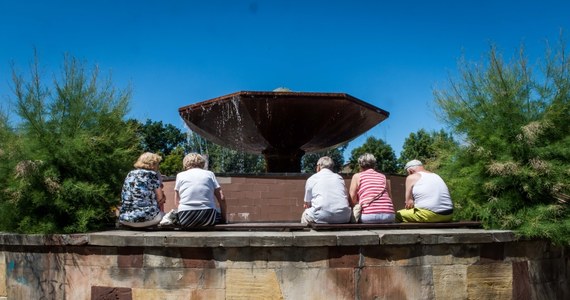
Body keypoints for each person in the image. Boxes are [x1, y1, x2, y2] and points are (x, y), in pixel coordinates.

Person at [174, 153, 226, 228]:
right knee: (217, 213)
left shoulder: (180, 175)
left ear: (185, 163)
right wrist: (223, 219)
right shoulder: (210, 174)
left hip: (185, 218)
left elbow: (176, 201)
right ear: (202, 162)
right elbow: (222, 198)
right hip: (207, 216)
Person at [119, 152, 166, 228]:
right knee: (166, 216)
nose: (158, 166)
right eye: (157, 164)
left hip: (125, 219)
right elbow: (160, 199)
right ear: (153, 163)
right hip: (146, 219)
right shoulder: (152, 174)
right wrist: (164, 197)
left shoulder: (130, 174)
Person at [301, 156, 351, 224]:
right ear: (332, 167)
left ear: (318, 167)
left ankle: (306, 233)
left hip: (321, 216)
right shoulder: (339, 178)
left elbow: (307, 204)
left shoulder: (312, 179)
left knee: (305, 214)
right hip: (344, 217)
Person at [349, 153, 395, 223]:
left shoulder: (357, 176)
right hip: (389, 215)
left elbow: (352, 199)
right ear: (374, 165)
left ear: (360, 165)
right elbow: (390, 198)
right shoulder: (383, 176)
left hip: (369, 216)